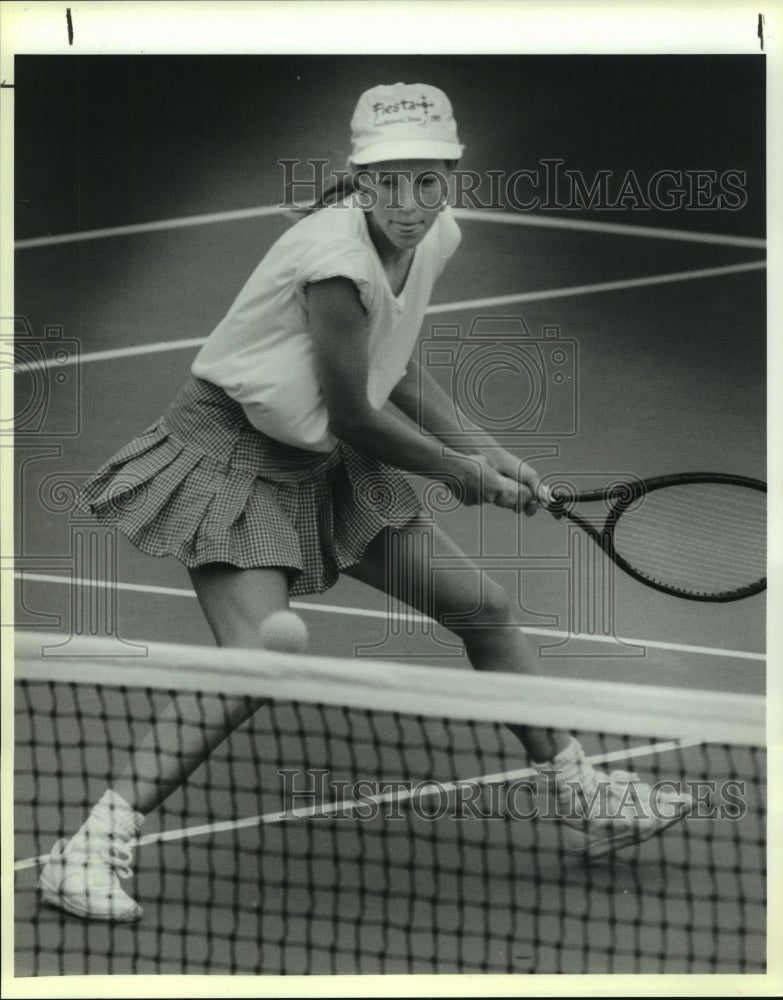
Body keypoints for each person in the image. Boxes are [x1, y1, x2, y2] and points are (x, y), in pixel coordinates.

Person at [38, 83, 690, 922]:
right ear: (360, 178)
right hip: (233, 456)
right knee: (252, 663)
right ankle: (86, 849)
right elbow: (353, 410)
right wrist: (461, 474)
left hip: (326, 459)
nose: (410, 203)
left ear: (450, 175)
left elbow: (395, 360)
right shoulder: (335, 260)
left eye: (428, 181)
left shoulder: (432, 238)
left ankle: (581, 792)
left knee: (484, 610)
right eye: (390, 182)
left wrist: (482, 448)